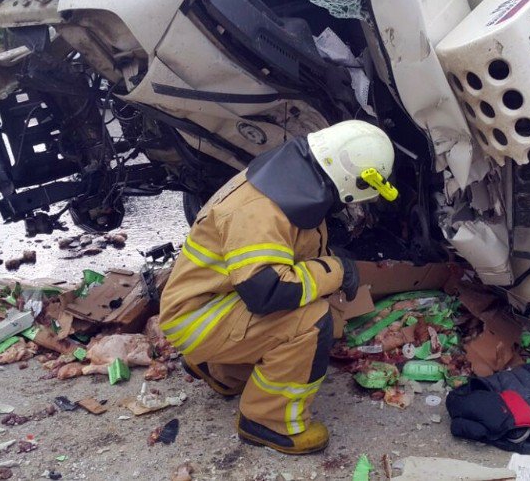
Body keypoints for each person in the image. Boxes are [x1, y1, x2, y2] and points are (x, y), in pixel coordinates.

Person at [159, 120, 397, 455]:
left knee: (314, 312)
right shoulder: (260, 210)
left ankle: (221, 369)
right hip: (199, 318)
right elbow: (267, 293)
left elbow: (288, 253)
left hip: (210, 303)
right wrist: (334, 270)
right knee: (312, 322)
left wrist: (330, 263)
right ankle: (269, 421)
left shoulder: (291, 179)